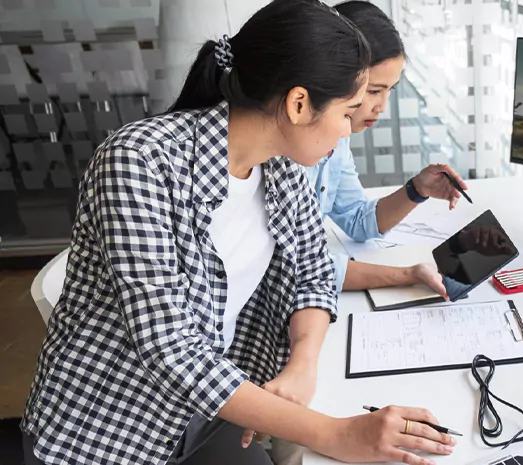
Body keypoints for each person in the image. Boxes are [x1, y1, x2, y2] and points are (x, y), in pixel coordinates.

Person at [19, 2, 455, 465]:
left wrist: (301, 367)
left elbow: (312, 272)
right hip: (109, 435)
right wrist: (334, 434)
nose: (348, 130)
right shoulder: (139, 162)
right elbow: (172, 349)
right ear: (299, 103)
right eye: (347, 114)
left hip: (209, 412)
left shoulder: (282, 166)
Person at [303, 0, 469, 298]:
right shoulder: (289, 152)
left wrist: (417, 189)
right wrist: (408, 275)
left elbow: (356, 219)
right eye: (374, 91)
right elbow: (301, 270)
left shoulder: (337, 140)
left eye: (390, 91)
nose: (381, 107)